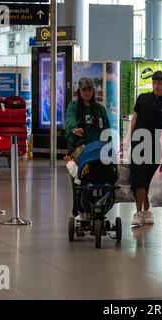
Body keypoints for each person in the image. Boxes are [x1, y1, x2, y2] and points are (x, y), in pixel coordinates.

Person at [129, 71, 162, 226]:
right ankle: (138, 212)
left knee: (151, 178)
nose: (156, 85)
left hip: (158, 145)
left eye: (160, 83)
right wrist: (128, 139)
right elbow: (134, 118)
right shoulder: (142, 98)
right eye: (154, 82)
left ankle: (148, 211)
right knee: (138, 179)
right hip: (139, 142)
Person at [65, 77, 110, 217]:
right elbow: (71, 120)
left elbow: (107, 130)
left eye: (89, 89)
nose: (87, 92)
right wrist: (74, 129)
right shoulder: (74, 107)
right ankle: (79, 211)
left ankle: (99, 207)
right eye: (84, 90)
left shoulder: (100, 109)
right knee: (79, 181)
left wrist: (110, 147)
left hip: (97, 151)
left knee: (102, 179)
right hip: (79, 149)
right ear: (79, 91)